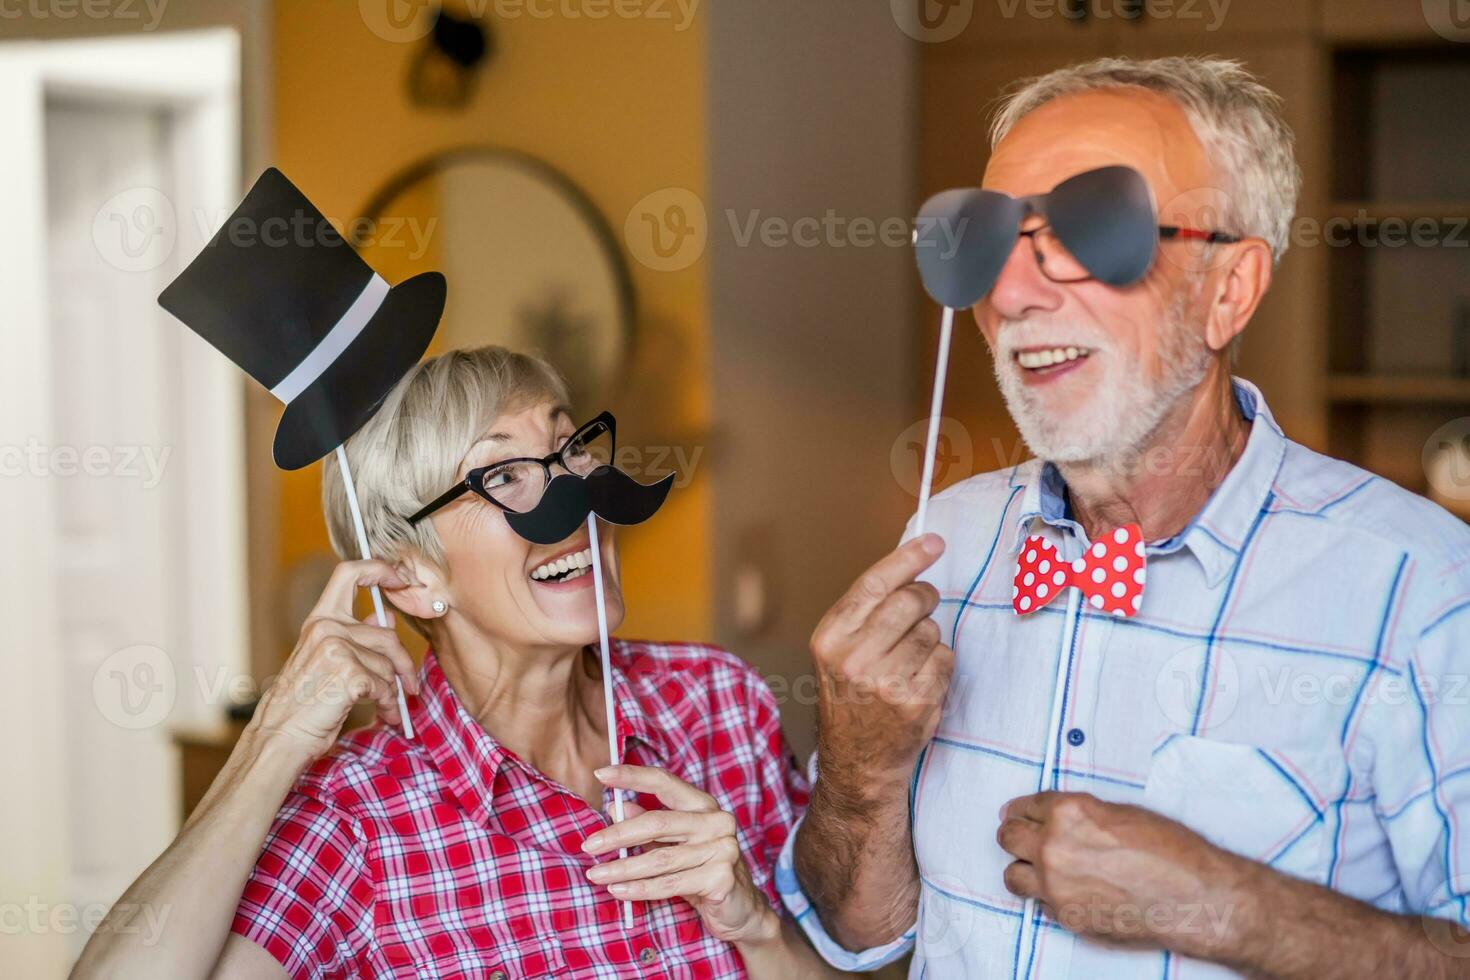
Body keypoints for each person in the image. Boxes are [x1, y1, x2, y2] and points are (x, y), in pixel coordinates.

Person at [779, 56, 1470, 977]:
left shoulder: (1423, 589)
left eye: (1091, 230)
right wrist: (860, 771)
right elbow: (857, 938)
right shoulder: (941, 547)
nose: (1015, 295)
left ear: (1229, 290)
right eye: (989, 241)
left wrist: (1225, 905)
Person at [75, 346, 841, 979]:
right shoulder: (357, 818)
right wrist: (271, 742)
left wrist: (756, 928)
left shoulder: (718, 703)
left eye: (569, 450)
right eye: (503, 475)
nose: (573, 494)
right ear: (411, 576)